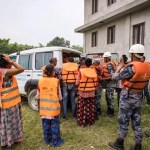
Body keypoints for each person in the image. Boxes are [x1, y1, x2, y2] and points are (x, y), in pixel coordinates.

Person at [109, 44, 150, 150]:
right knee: (136, 120)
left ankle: (119, 143)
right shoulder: (147, 66)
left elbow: (115, 77)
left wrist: (120, 66)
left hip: (127, 96)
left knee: (123, 120)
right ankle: (138, 146)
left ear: (133, 54)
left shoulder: (131, 68)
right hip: (138, 96)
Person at [0, 54, 24, 148]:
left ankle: (14, 139)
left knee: (12, 123)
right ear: (6, 64)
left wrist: (10, 61)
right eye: (9, 62)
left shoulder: (4, 71)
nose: (11, 64)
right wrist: (12, 61)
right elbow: (21, 69)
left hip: (12, 102)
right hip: (8, 104)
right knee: (9, 123)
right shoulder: (3, 71)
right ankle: (8, 141)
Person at [37, 64, 64, 147]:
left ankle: (47, 140)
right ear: (53, 72)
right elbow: (60, 97)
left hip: (44, 109)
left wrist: (39, 108)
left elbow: (38, 96)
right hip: (54, 109)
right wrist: (61, 107)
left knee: (46, 126)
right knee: (54, 126)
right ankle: (55, 142)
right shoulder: (56, 81)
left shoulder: (40, 81)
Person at [76, 58, 98, 126]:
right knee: (90, 107)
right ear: (91, 63)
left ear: (84, 63)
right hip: (91, 92)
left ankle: (82, 122)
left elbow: (77, 83)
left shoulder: (80, 71)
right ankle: (90, 121)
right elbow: (96, 82)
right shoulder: (94, 71)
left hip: (82, 92)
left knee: (82, 107)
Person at [102, 52, 116, 117]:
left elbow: (112, 75)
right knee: (107, 96)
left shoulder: (109, 65)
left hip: (111, 83)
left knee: (110, 97)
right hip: (108, 83)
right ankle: (109, 110)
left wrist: (104, 78)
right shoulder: (108, 64)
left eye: (104, 58)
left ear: (107, 58)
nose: (103, 59)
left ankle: (111, 112)